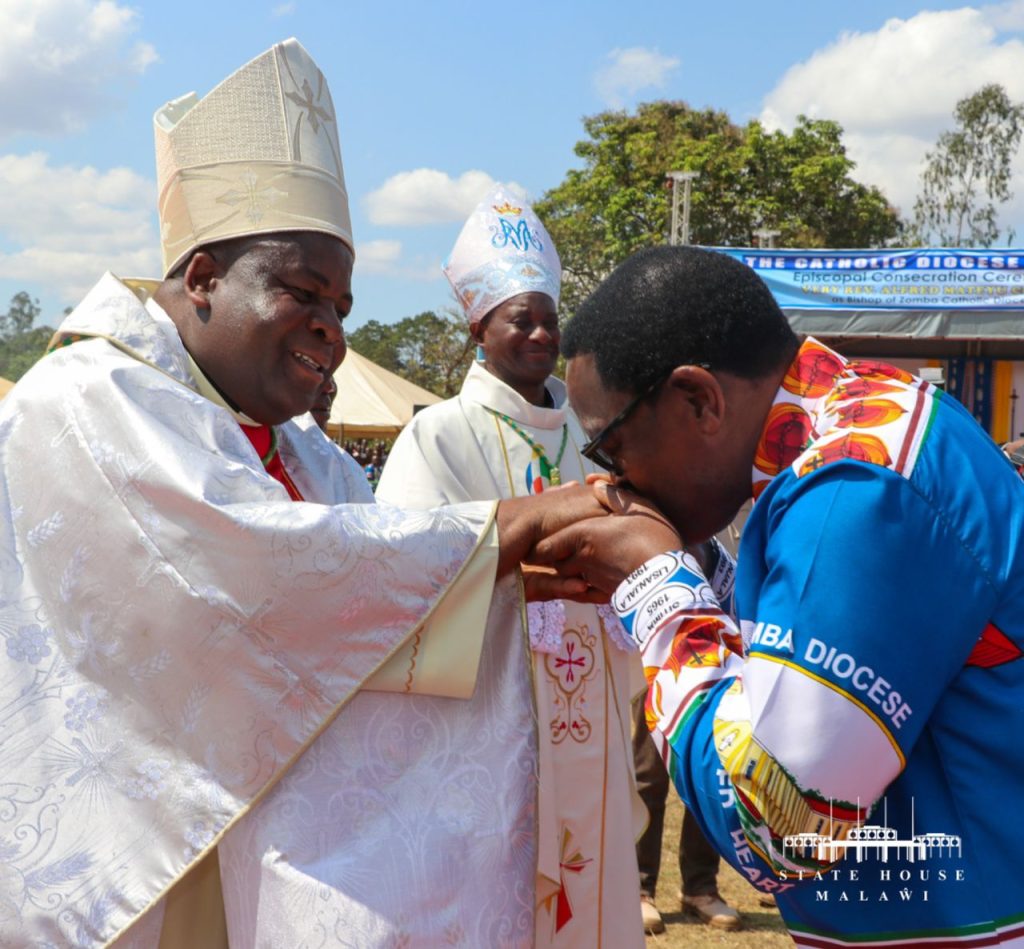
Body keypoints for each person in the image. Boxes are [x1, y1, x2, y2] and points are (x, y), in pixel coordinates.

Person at [0, 40, 605, 948]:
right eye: (302, 289)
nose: (331, 328)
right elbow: (247, 568)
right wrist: (500, 530)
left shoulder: (306, 451)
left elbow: (373, 589)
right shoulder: (88, 397)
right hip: (128, 864)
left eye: (344, 307)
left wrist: (506, 576)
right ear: (201, 276)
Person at [534, 245, 1024, 947]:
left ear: (698, 398)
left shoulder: (856, 486)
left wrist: (659, 585)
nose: (615, 483)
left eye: (609, 448)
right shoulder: (860, 425)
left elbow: (780, 820)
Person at [376, 185, 645, 948]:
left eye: (548, 318)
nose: (538, 332)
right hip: (485, 707)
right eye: (518, 317)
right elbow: (406, 574)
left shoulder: (594, 443)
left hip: (583, 708)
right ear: (477, 326)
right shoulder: (436, 436)